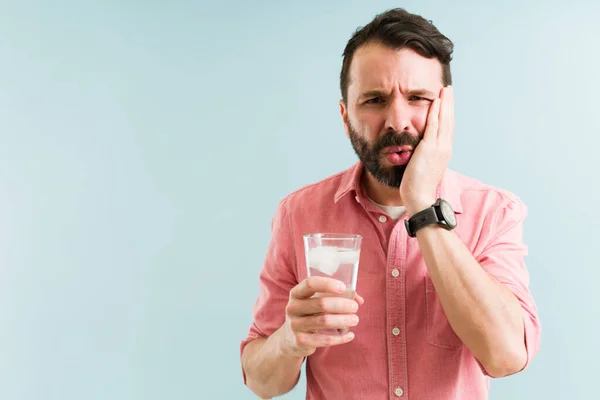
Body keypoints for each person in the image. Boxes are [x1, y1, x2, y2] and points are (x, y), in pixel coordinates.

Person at [240, 7, 541, 400]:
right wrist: (289, 341)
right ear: (345, 115)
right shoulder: (297, 215)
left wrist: (422, 205)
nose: (398, 121)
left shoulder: (493, 212)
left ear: (444, 110)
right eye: (375, 100)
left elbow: (506, 357)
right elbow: (262, 381)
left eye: (418, 98)